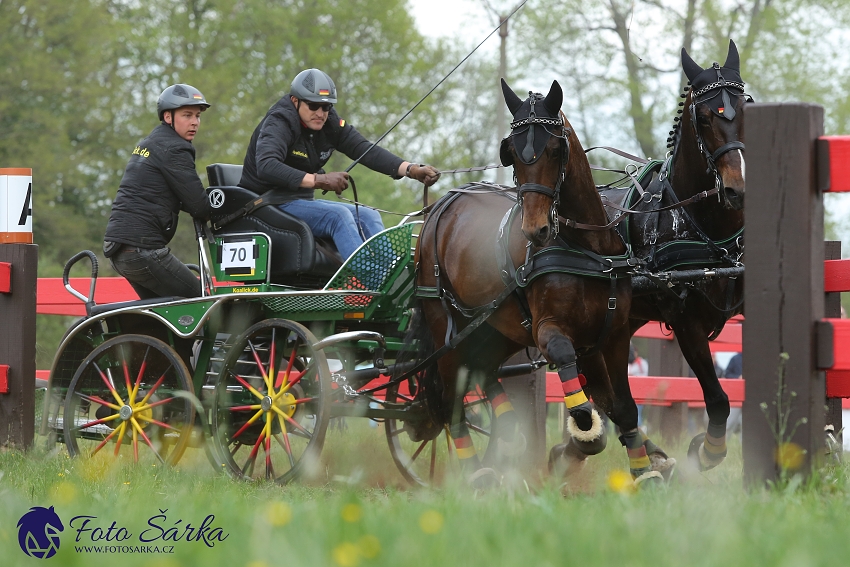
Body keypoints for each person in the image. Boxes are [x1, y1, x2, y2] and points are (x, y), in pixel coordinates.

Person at [239, 68, 441, 260]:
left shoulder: (329, 123)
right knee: (339, 215)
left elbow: (364, 150)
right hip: (267, 203)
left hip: (300, 200)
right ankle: (372, 279)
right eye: (313, 105)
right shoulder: (280, 121)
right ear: (295, 101)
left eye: (326, 107)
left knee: (369, 215)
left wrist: (411, 169)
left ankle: (392, 278)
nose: (320, 113)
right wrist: (319, 180)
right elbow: (266, 166)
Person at [103, 84, 212, 299]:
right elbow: (199, 205)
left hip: (120, 251)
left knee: (161, 317)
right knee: (202, 302)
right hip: (142, 251)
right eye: (187, 115)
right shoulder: (175, 148)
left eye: (197, 116)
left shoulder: (151, 143)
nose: (194, 122)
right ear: (168, 117)